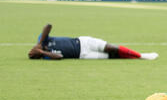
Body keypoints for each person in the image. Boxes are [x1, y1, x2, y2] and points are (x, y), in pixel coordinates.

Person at [28, 24, 158, 60]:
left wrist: (40, 44)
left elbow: (48, 26)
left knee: (111, 47)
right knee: (111, 57)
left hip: (83, 42)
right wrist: (42, 51)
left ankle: (141, 55)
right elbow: (59, 56)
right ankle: (136, 57)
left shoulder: (42, 39)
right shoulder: (46, 56)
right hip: (83, 55)